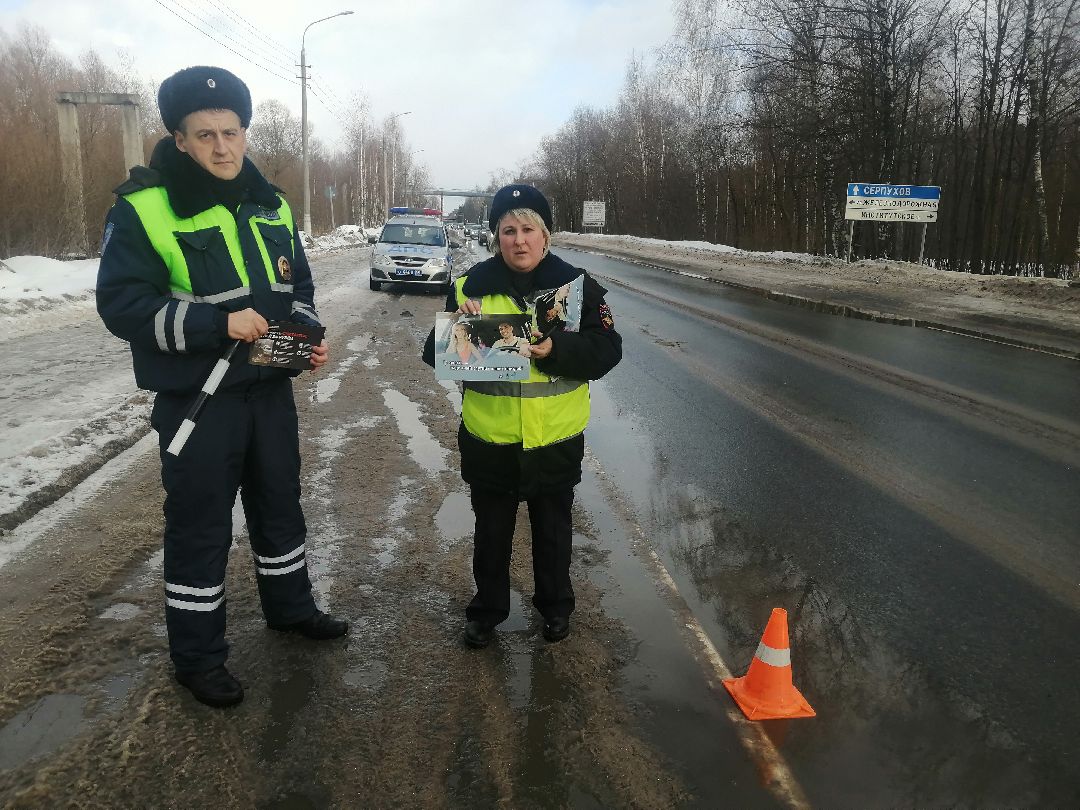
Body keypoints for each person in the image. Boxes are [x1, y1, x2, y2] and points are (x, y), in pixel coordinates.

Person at [96, 66, 348, 709]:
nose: (221, 147)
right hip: (197, 402)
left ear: (244, 132)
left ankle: (291, 609)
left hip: (268, 391)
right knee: (200, 527)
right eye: (204, 134)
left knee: (280, 508)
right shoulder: (144, 206)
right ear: (179, 139)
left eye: (231, 132)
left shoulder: (273, 203)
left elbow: (300, 289)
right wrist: (214, 322)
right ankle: (199, 658)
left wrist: (308, 334)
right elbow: (122, 307)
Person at [422, 184, 622, 648]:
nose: (519, 239)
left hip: (555, 438)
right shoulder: (470, 286)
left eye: (529, 229)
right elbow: (436, 356)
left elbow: (608, 349)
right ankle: (487, 612)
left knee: (553, 535)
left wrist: (557, 349)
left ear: (545, 236)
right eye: (508, 230)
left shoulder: (576, 286)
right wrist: (461, 329)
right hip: (490, 439)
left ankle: (555, 609)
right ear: (496, 236)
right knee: (491, 536)